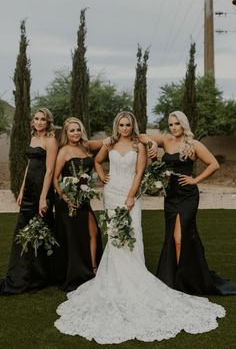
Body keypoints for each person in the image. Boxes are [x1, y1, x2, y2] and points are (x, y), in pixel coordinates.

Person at [54, 111, 225, 344]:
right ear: (117, 126)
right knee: (115, 236)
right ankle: (112, 276)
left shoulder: (138, 144)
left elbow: (139, 172)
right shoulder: (111, 142)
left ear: (132, 125)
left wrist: (132, 196)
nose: (125, 128)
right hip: (112, 193)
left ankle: (138, 276)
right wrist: (103, 176)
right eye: (121, 124)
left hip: (130, 195)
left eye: (128, 124)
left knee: (132, 234)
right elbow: (96, 160)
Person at [141, 110, 236, 295]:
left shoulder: (193, 144)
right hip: (170, 196)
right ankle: (185, 275)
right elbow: (142, 136)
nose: (174, 127)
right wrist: (152, 143)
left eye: (177, 124)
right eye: (171, 124)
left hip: (187, 196)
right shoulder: (166, 140)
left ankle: (180, 282)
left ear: (183, 124)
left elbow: (214, 164)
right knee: (173, 236)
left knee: (180, 238)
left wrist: (195, 179)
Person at [0, 108, 58, 295]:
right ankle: (21, 273)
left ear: (48, 122)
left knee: (41, 231)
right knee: (23, 231)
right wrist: (21, 190)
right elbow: (29, 167)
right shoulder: (33, 139)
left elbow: (49, 171)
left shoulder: (51, 141)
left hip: (42, 190)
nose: (39, 122)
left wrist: (43, 197)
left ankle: (40, 275)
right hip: (29, 190)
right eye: (36, 118)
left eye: (43, 119)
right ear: (33, 121)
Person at [53, 117, 104, 291]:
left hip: (84, 199)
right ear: (66, 133)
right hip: (68, 201)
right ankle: (76, 272)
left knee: (93, 232)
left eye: (77, 129)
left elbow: (108, 141)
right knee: (74, 238)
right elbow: (55, 177)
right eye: (71, 130)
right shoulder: (63, 151)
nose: (75, 133)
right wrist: (64, 196)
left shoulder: (87, 146)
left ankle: (94, 268)